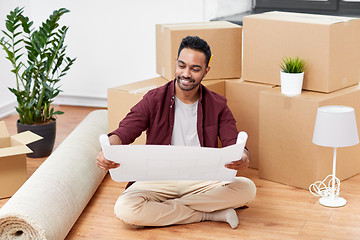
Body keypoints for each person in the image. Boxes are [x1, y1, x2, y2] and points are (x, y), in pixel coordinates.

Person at [97, 36, 256, 229]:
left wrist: (243, 156)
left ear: (206, 70)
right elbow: (124, 131)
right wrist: (108, 150)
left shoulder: (218, 104)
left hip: (202, 179)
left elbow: (234, 142)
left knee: (247, 189)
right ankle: (207, 213)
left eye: (195, 69)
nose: (186, 74)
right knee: (125, 208)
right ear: (176, 63)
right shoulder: (153, 99)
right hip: (157, 178)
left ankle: (163, 210)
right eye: (182, 65)